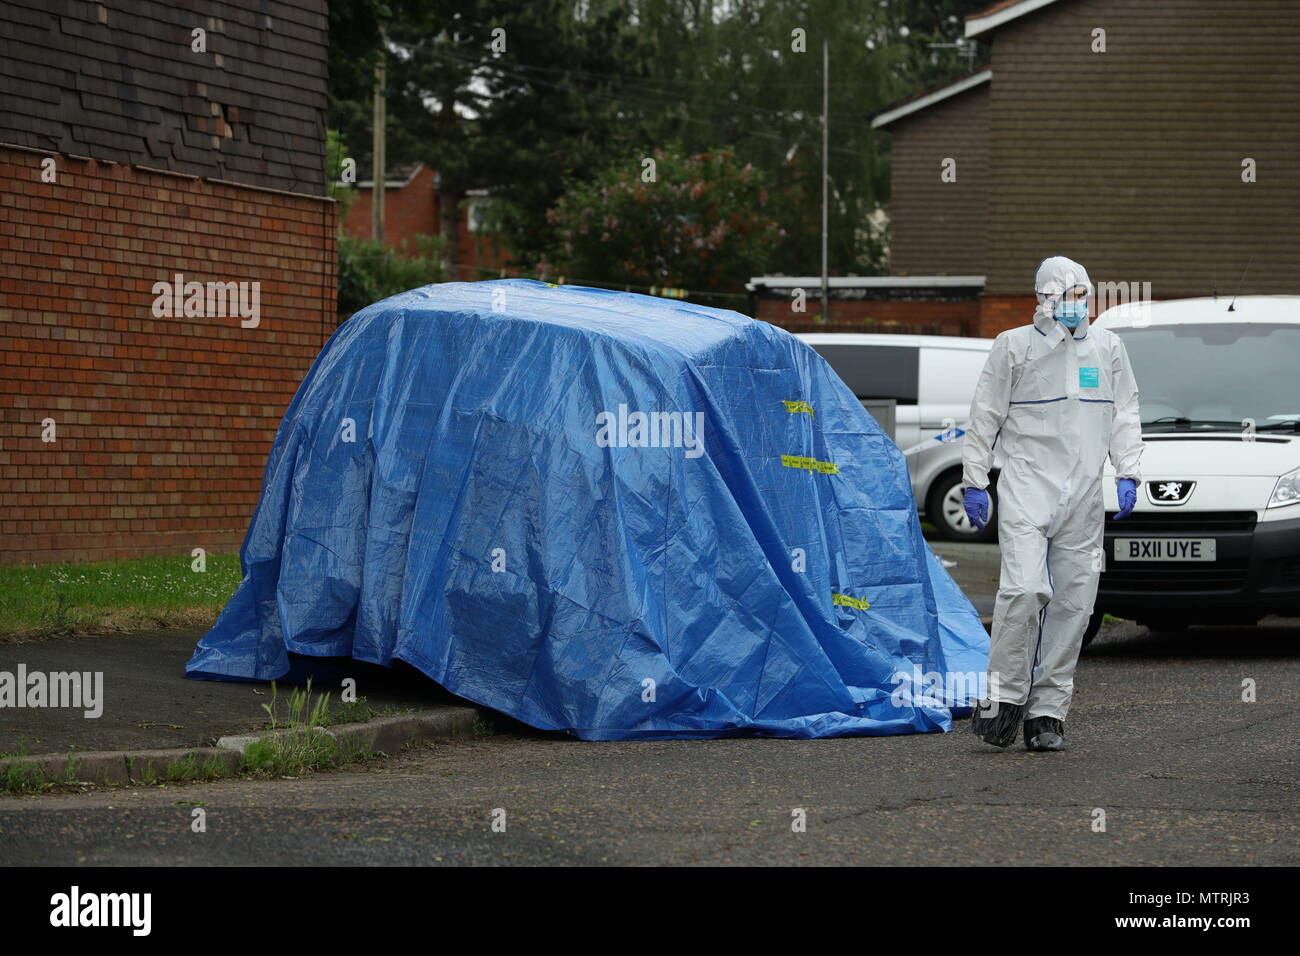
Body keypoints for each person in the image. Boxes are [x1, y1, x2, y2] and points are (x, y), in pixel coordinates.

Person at [961, 256, 1144, 751]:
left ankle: (1046, 712)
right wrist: (975, 479)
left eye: (1081, 296)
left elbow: (1126, 411)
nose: (1074, 306)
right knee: (1022, 592)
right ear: (1041, 301)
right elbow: (984, 415)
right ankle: (1002, 701)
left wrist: (1127, 470)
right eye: (1063, 298)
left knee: (1074, 605)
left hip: (1083, 499)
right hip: (1026, 492)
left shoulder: (1107, 348)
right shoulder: (1013, 347)